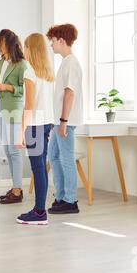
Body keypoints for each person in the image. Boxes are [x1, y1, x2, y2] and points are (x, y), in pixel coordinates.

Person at [16, 33, 55, 225]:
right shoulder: (47, 72)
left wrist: (21, 131)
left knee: (37, 169)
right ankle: (40, 209)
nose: (24, 50)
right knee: (41, 169)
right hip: (47, 123)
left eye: (25, 46)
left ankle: (40, 212)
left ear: (31, 48)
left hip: (35, 126)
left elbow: (29, 104)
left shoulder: (29, 72)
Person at [46, 24, 83, 215]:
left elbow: (70, 93)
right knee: (52, 155)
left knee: (66, 158)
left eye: (52, 41)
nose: (51, 45)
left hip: (65, 120)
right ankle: (61, 197)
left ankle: (71, 200)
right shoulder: (65, 62)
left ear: (61, 40)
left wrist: (63, 121)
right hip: (59, 120)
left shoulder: (71, 63)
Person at [0, 29, 27, 205]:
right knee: (7, 150)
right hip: (0, 110)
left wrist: (9, 88)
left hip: (14, 110)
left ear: (9, 43)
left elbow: (25, 90)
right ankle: (15, 187)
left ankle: (17, 189)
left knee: (14, 151)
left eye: (1, 41)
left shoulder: (21, 64)